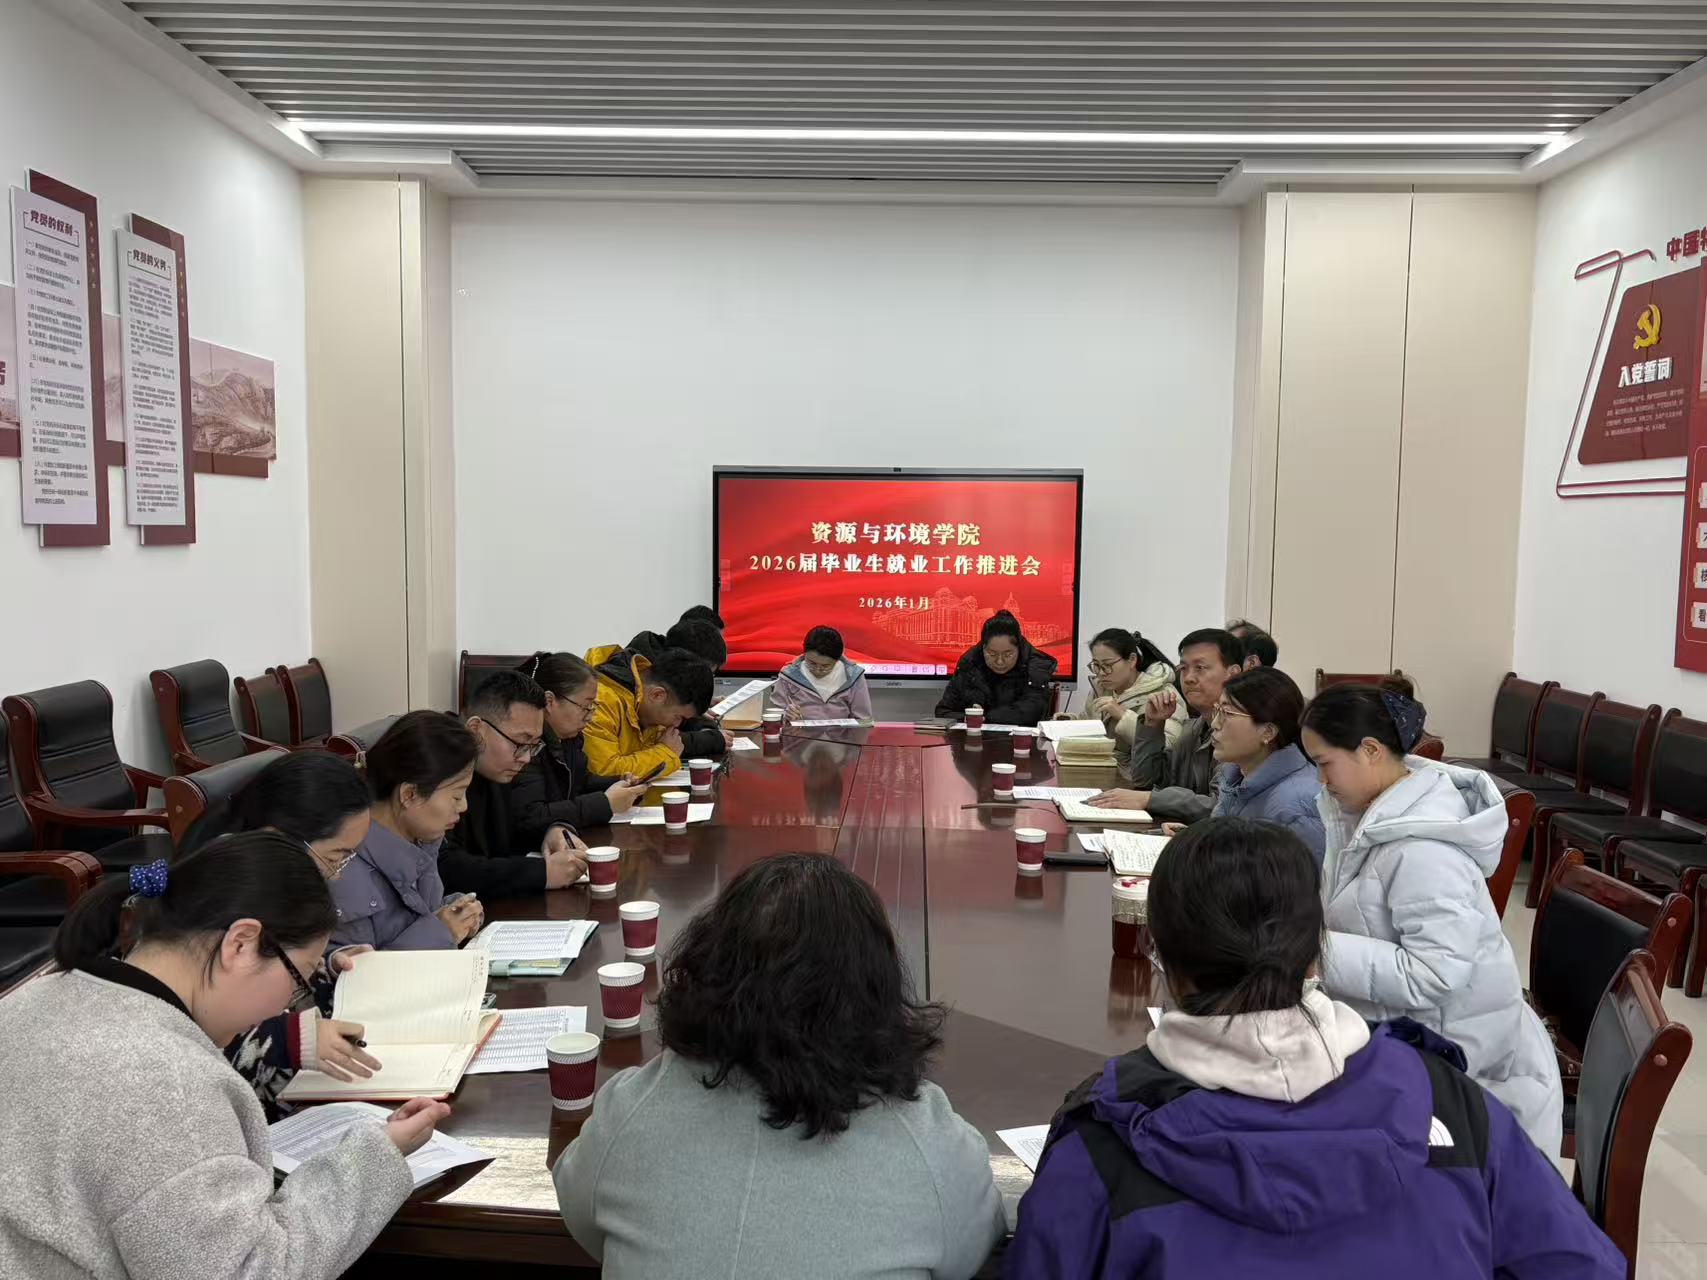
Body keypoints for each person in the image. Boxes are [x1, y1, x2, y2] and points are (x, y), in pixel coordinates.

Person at [1007, 819, 1621, 1279]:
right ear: (1316, 955)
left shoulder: (1103, 1143)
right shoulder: (1447, 1101)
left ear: (1161, 958)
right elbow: (1579, 1264)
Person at [0, 833, 452, 1278]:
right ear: (240, 944)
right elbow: (251, 1270)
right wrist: (375, 1158)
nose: (286, 1004)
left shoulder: (33, 997)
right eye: (299, 977)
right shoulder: (168, 1082)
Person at [554, 854, 1003, 1279]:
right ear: (874, 989)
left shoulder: (631, 1110)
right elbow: (973, 1247)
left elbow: (580, 1212)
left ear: (708, 966)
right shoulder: (927, 1143)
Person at [1302, 683, 1564, 1157]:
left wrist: (1314, 950)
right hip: (1410, 1032)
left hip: (1458, 1060)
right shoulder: (1367, 816)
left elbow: (1435, 973)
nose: (1320, 781)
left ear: (1370, 751)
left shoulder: (1423, 851)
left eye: (1325, 763)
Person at [181, 751, 384, 1115]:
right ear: (278, 837)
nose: (337, 874)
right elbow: (205, 1040)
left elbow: (279, 975)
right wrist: (291, 1039)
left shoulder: (269, 884)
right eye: (335, 857)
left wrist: (326, 969)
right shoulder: (221, 899)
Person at [332, 711, 484, 953]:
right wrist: (441, 932)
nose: (464, 806)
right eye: (456, 795)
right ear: (409, 794)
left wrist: (456, 913)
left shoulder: (419, 840)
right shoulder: (343, 873)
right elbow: (355, 972)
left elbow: (413, 919)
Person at [440, 669, 590, 898]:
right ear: (475, 729)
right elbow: (445, 866)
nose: (526, 758)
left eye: (534, 745)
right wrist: (542, 873)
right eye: (520, 743)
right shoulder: (437, 767)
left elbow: (520, 822)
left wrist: (553, 830)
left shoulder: (497, 767)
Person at [1161, 666, 1325, 861]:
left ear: (1268, 732)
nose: (1215, 724)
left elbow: (1290, 880)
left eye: (1227, 713)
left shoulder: (1295, 808)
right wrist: (1196, 838)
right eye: (1217, 710)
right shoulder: (1237, 776)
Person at [1089, 628, 1244, 820]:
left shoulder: (1244, 731)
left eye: (1200, 668)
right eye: (1183, 668)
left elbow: (1223, 807)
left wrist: (1150, 799)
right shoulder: (1193, 729)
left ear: (1232, 674)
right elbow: (1146, 780)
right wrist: (1152, 726)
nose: (1188, 678)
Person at [511, 652, 651, 844]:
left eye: (593, 707)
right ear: (549, 701)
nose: (590, 717)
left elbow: (579, 782)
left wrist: (620, 783)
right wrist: (605, 803)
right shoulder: (527, 746)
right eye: (585, 707)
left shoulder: (569, 738)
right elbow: (531, 817)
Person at [581, 644, 715, 780]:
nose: (677, 724)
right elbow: (603, 772)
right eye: (678, 717)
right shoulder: (599, 701)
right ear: (657, 695)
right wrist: (666, 753)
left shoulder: (648, 707)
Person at [609, 617, 735, 760]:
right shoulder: (621, 691)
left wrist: (707, 729)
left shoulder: (652, 674)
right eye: (705, 673)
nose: (703, 681)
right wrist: (708, 740)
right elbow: (655, 740)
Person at [1064, 627, 1187, 763]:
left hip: (1135, 772)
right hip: (1101, 765)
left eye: (1107, 665)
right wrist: (1068, 722)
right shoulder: (1100, 688)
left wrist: (1123, 716)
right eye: (1096, 665)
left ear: (1132, 660)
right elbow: (1088, 722)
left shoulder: (1164, 694)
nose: (1101, 673)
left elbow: (1168, 748)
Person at [933, 609, 1058, 725]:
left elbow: (1032, 714)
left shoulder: (1036, 667)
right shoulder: (970, 664)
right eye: (992, 654)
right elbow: (943, 711)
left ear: (1019, 648)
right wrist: (968, 718)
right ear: (983, 648)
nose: (999, 661)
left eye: (1008, 654)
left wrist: (986, 718)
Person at [769, 626, 874, 721]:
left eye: (826, 666)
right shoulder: (788, 675)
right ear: (804, 653)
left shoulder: (853, 676)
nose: (818, 669)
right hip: (799, 734)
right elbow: (773, 715)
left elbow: (863, 719)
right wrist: (785, 715)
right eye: (812, 663)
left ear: (837, 660)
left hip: (841, 735)